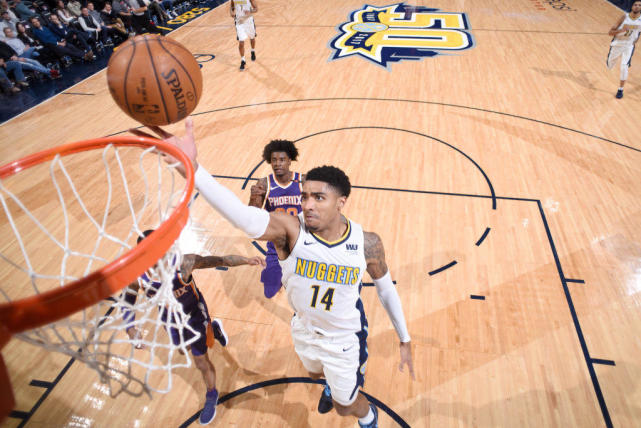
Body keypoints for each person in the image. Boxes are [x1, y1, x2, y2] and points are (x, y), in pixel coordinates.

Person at [131, 120, 415, 428]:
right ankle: (331, 383)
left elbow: (386, 290)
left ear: (341, 202)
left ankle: (368, 417)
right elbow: (242, 216)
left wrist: (404, 338)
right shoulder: (290, 229)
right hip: (304, 327)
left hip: (343, 338)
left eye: (319, 198)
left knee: (344, 406)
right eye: (305, 196)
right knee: (314, 373)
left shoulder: (367, 243)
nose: (308, 205)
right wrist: (194, 169)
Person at [123, 230, 266, 425]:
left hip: (194, 315)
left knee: (200, 361)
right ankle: (214, 329)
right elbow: (127, 301)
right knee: (183, 350)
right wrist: (130, 328)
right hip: (170, 320)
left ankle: (211, 394)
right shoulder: (138, 276)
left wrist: (246, 260)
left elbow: (221, 260)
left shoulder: (184, 264)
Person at [248, 140, 303, 299]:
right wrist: (253, 197)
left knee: (304, 291)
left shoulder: (302, 181)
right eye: (274, 160)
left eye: (282, 159)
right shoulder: (264, 184)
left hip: (301, 241)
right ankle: (272, 272)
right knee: (269, 292)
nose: (277, 163)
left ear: (290, 160)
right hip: (277, 243)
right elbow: (252, 216)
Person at [607, 0, 641, 99]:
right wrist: (621, 30)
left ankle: (620, 89)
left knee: (624, 66)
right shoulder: (624, 17)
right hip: (618, 44)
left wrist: (636, 40)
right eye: (635, 5)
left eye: (639, 5)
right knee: (610, 65)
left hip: (629, 46)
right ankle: (609, 60)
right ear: (632, 6)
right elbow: (610, 32)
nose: (637, 6)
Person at [230, 0, 257, 70]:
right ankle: (243, 60)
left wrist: (250, 11)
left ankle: (252, 51)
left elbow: (256, 9)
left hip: (249, 21)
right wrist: (231, 12)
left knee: (252, 38)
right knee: (241, 42)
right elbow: (232, 6)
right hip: (239, 21)